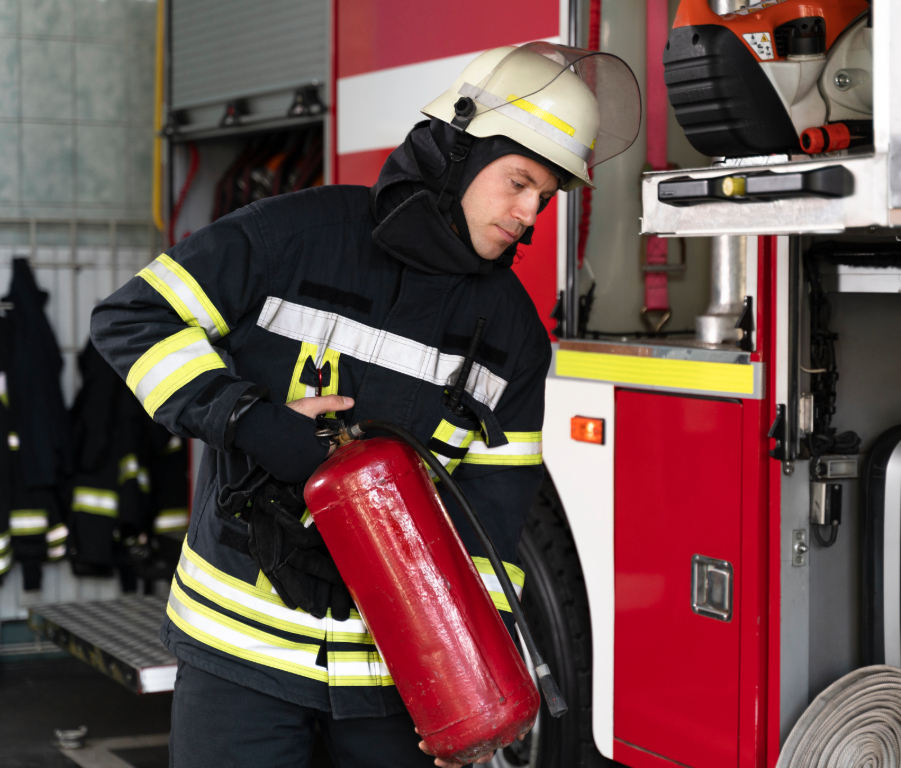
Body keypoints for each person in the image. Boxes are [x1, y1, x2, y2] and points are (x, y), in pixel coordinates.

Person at [91, 42, 639, 768]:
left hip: (391, 692)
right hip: (239, 664)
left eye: (546, 196)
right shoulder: (297, 236)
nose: (529, 214)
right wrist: (247, 419)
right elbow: (133, 318)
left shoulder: (512, 335)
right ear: (460, 152)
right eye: (519, 182)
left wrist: (465, 685)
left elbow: (494, 519)